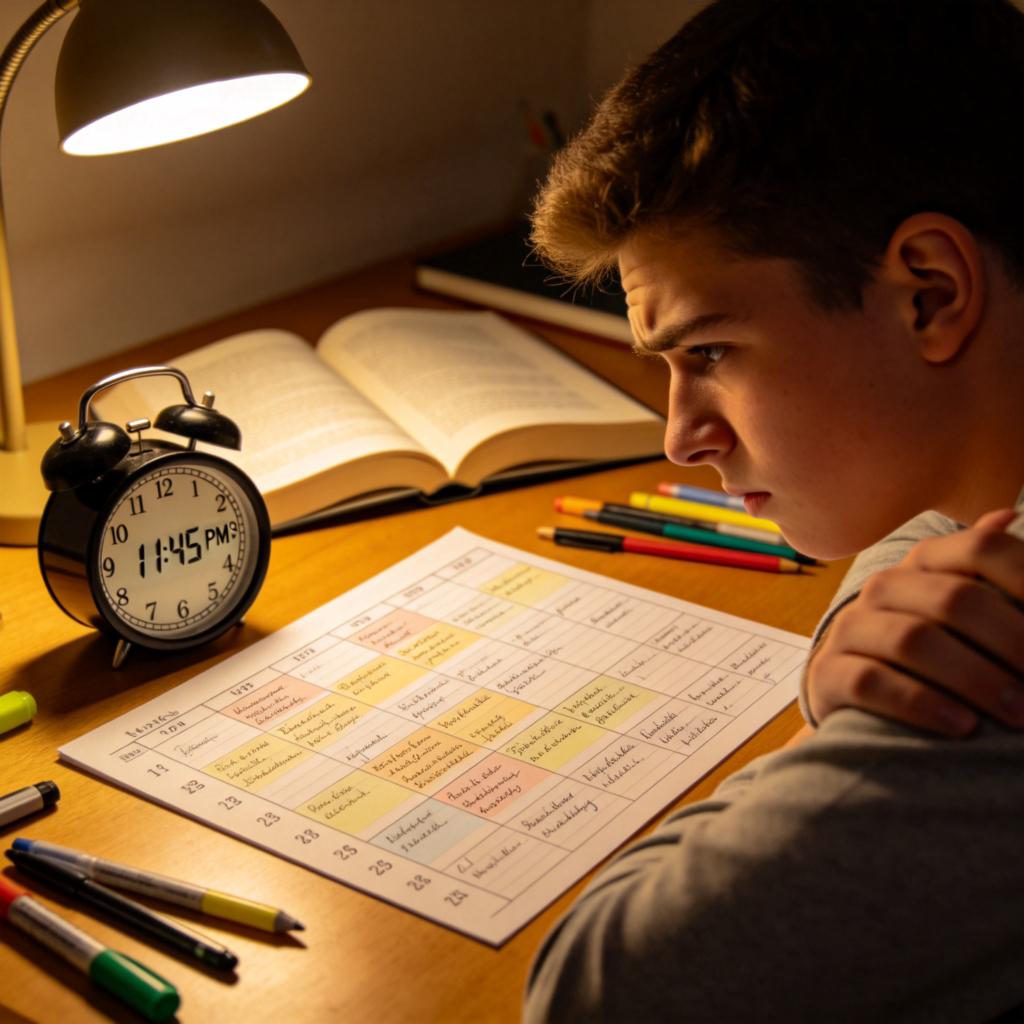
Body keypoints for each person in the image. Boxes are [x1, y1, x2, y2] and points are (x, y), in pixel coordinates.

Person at [521, 1, 1024, 1021]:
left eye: (707, 352)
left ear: (928, 293)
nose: (680, 435)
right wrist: (865, 610)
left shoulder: (993, 675)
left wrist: (827, 729)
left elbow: (594, 992)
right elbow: (934, 528)